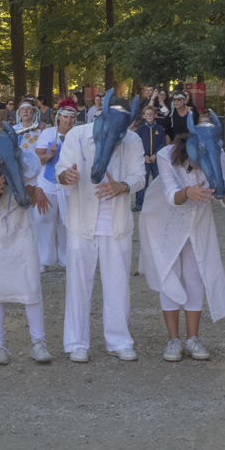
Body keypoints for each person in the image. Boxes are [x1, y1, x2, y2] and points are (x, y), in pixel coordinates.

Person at [56, 91, 146, 362]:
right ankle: (76, 342)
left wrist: (124, 186)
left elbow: (140, 176)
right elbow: (61, 171)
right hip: (81, 222)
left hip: (116, 223)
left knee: (118, 284)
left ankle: (118, 340)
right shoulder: (77, 136)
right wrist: (66, 176)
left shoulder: (131, 140)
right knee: (78, 284)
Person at [139, 123, 225, 362]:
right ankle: (173, 340)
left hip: (198, 221)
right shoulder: (166, 155)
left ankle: (193, 338)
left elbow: (224, 196)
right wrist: (188, 193)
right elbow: (172, 195)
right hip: (164, 220)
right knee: (169, 274)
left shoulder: (219, 153)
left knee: (196, 275)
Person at [0, 128, 53, 364]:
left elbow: (25, 199)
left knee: (30, 285)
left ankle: (38, 343)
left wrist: (31, 189)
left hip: (21, 230)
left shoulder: (28, 160)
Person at [33, 98, 77, 269]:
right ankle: (44, 259)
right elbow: (37, 159)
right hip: (48, 184)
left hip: (69, 186)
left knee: (68, 223)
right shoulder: (48, 134)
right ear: (59, 117)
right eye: (66, 117)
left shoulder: (78, 134)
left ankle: (67, 260)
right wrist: (50, 154)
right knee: (42, 220)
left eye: (72, 117)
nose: (69, 121)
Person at [133, 105, 165, 211]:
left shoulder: (160, 129)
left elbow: (162, 143)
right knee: (143, 182)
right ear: (143, 116)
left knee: (157, 181)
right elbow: (138, 144)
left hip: (156, 159)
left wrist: (155, 154)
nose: (149, 116)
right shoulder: (140, 130)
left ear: (155, 115)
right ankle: (139, 203)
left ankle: (158, 203)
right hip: (145, 159)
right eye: (147, 114)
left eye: (151, 114)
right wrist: (144, 155)